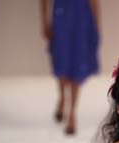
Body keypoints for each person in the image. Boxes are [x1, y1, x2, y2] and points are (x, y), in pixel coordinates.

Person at [40, 0, 99, 135]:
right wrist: (44, 21)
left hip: (81, 16)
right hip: (61, 16)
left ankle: (72, 113)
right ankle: (62, 97)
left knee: (77, 63)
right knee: (61, 60)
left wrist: (96, 26)